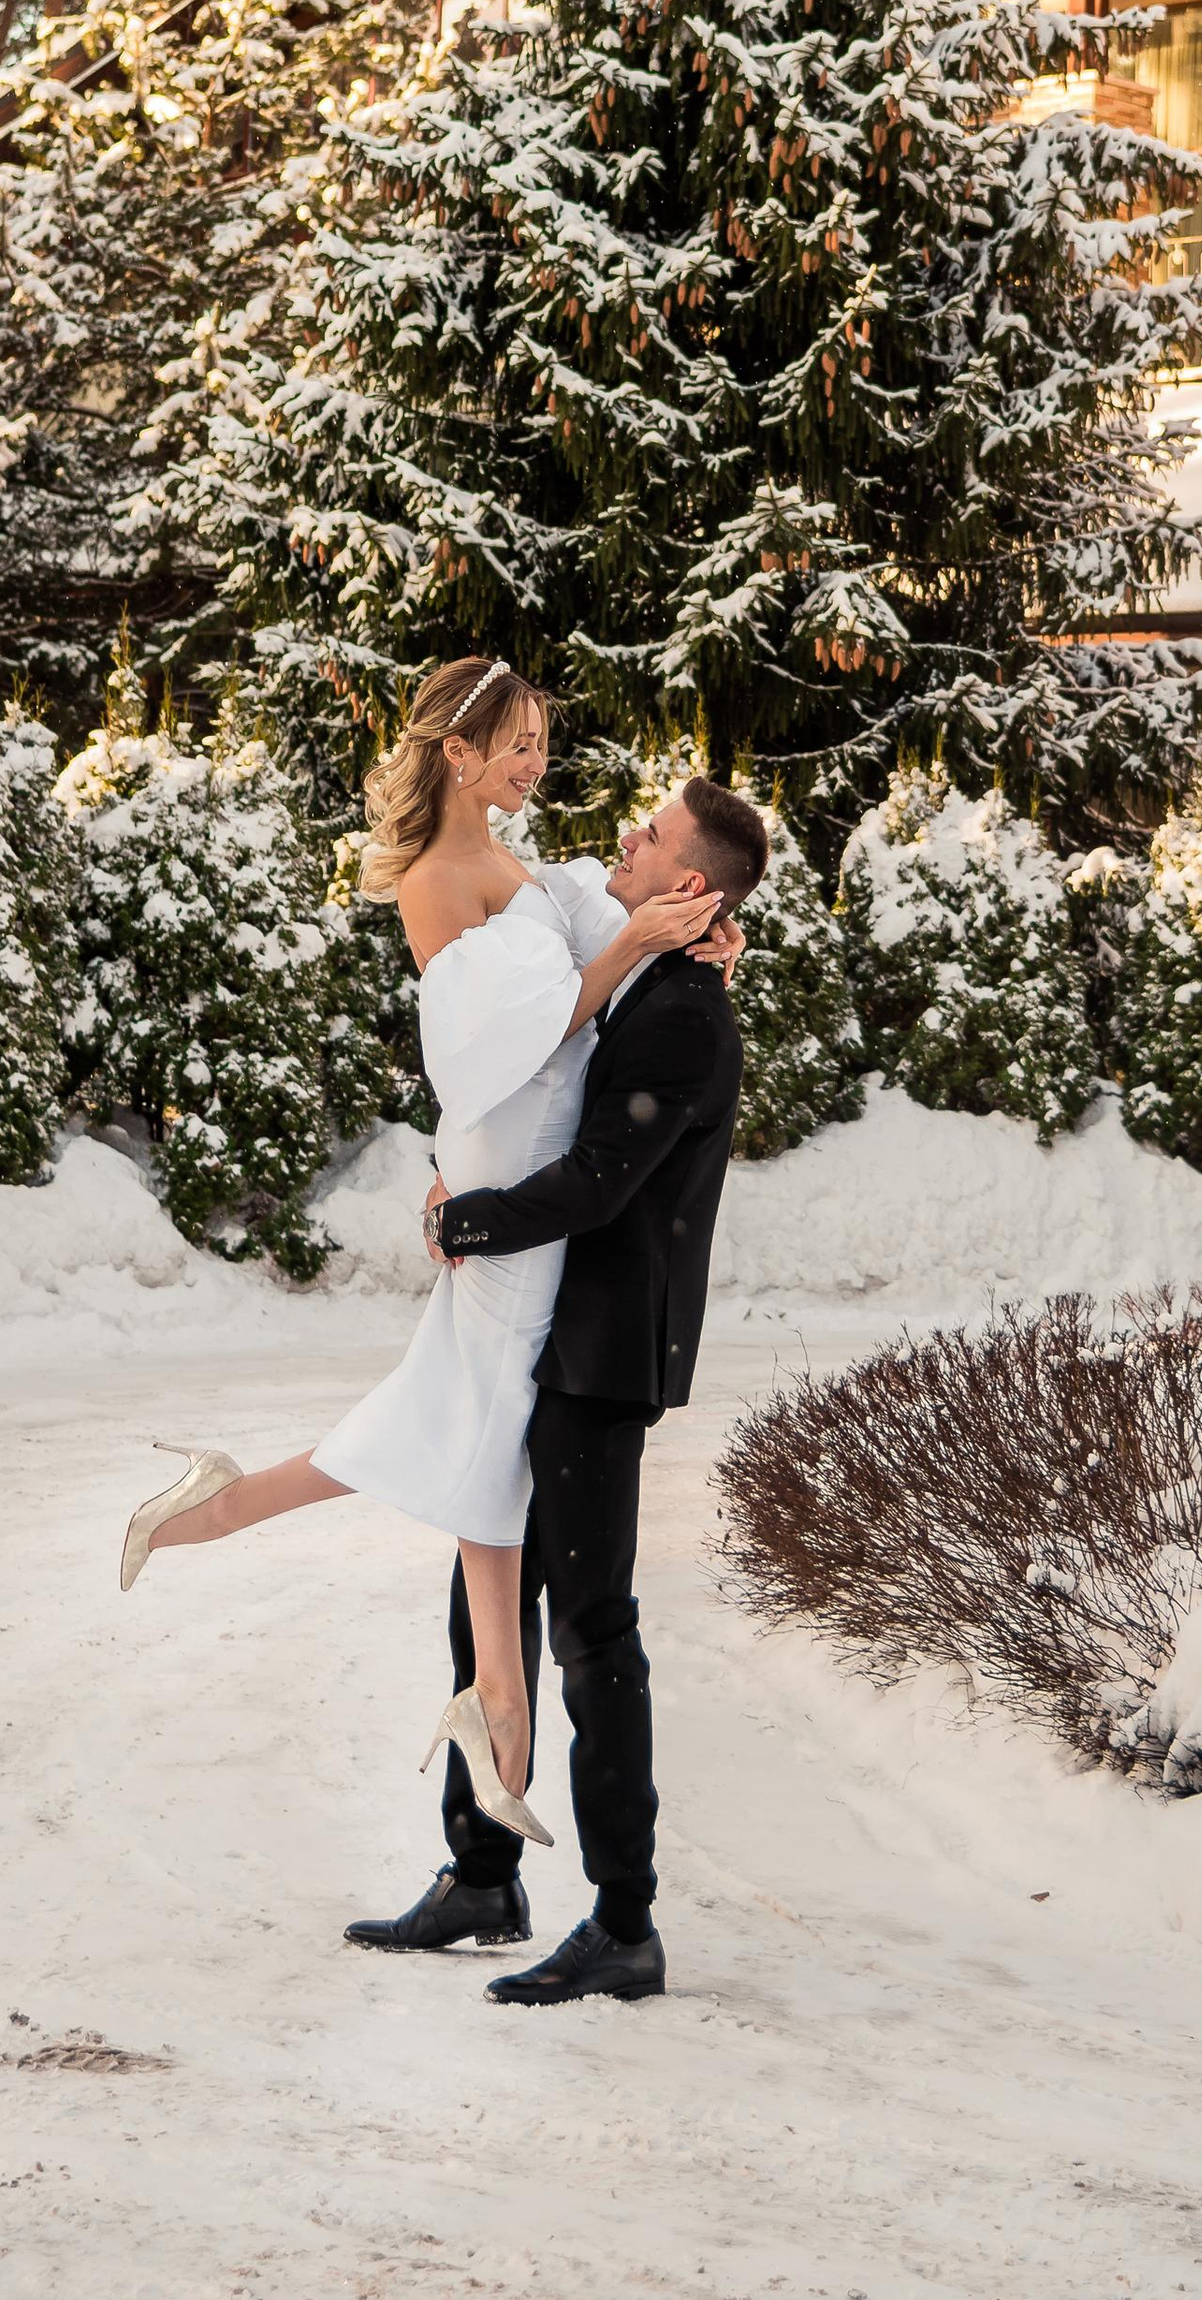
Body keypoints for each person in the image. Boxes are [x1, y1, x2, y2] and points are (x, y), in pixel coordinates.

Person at [116, 655, 731, 1845]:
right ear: (456, 752)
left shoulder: (524, 866)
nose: (537, 765)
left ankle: (239, 1517)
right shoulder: (435, 880)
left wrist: (699, 937)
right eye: (518, 745)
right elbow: (491, 1046)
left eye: (543, 743)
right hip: (512, 1150)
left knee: (462, 1430)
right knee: (485, 1428)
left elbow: (621, 951)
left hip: (525, 1159)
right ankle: (493, 1705)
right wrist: (621, 952)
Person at [344, 766, 766, 2010]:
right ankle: (482, 1869)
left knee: (592, 1633)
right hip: (547, 1338)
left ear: (688, 883)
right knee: (486, 1601)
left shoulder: (686, 1011)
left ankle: (625, 1922)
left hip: (597, 1356)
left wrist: (463, 1223)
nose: (622, 842)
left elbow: (596, 1182)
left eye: (649, 837)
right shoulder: (649, 964)